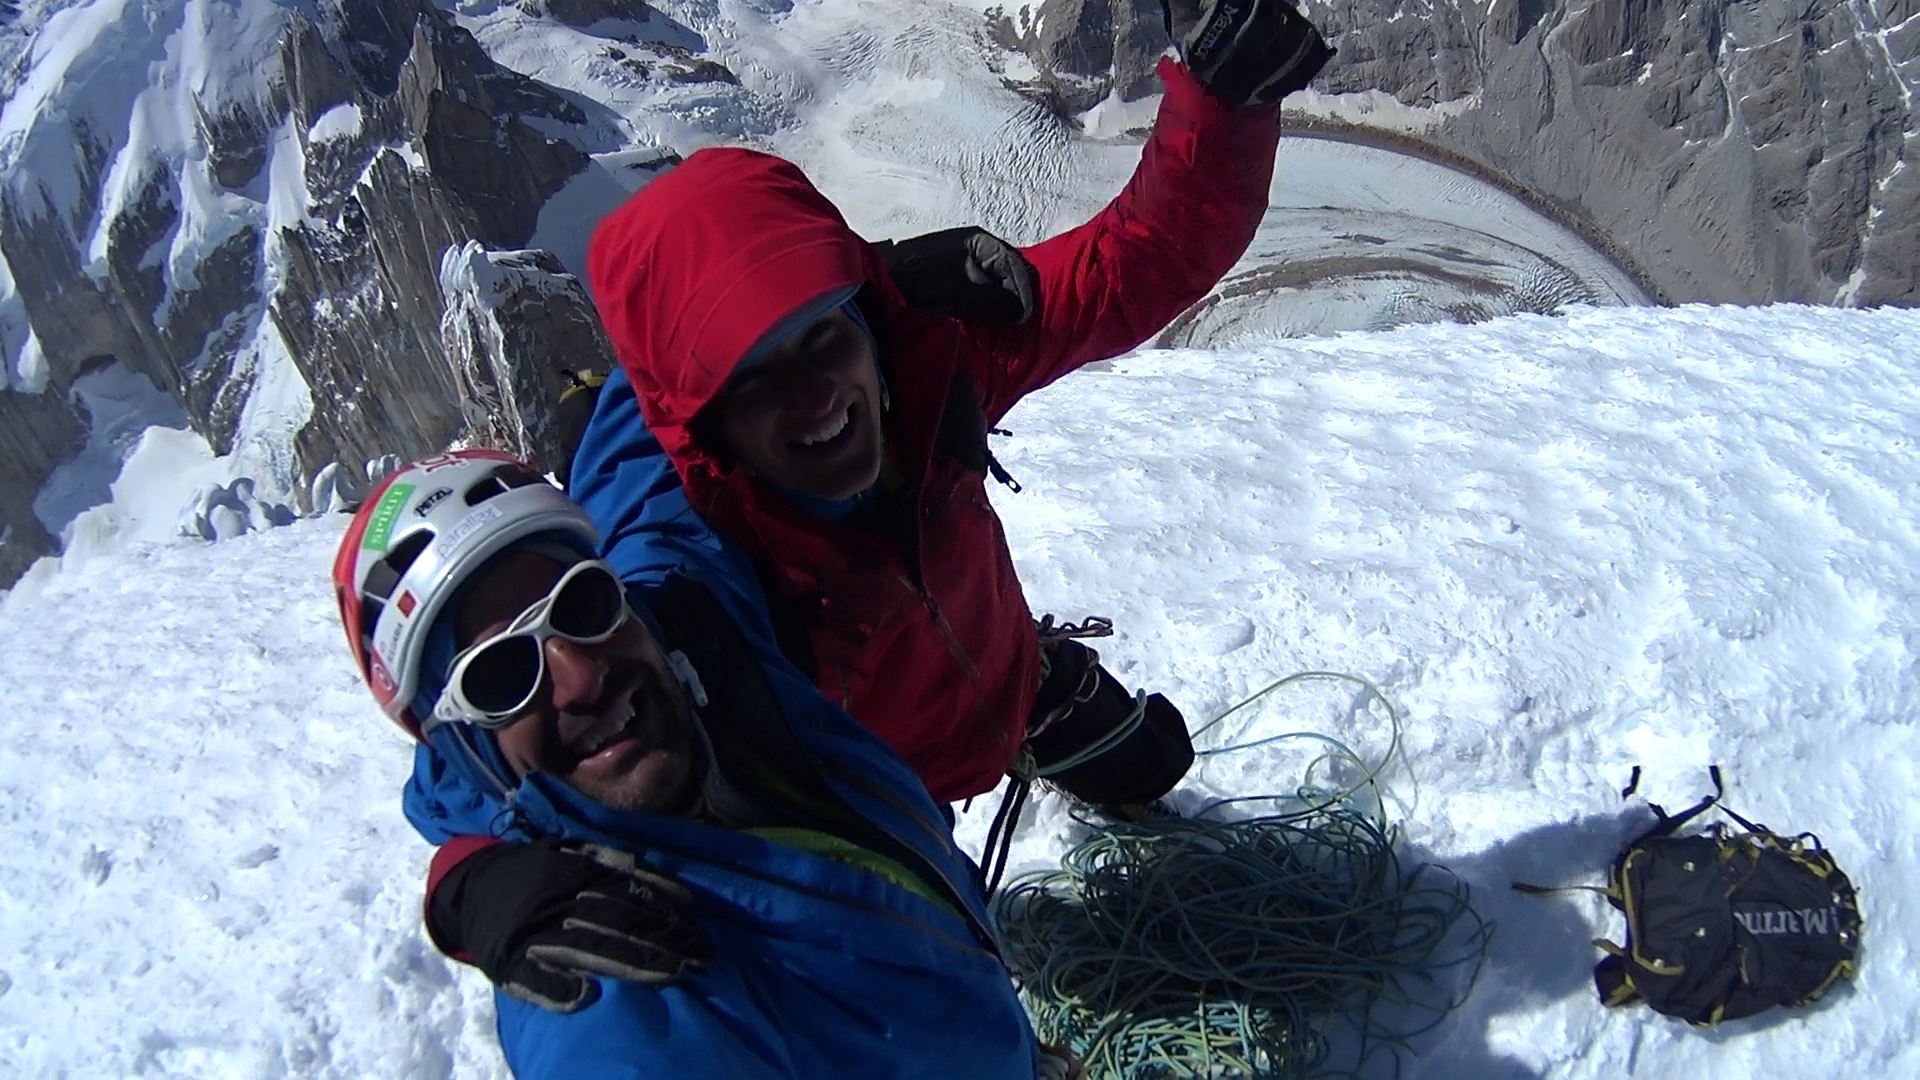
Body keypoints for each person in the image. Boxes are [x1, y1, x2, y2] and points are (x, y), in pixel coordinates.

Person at [420, 0, 1333, 1008]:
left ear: (867, 320)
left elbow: (1136, 260)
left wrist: (1224, 108)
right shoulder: (687, 551)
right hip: (886, 799)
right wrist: (471, 885)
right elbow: (494, 726)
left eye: (823, 337)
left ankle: (1046, 701)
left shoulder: (929, 363)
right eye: (757, 379)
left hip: (1005, 679)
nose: (815, 400)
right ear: (703, 418)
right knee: (956, 976)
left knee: (1155, 769)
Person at [333, 449, 1052, 1076]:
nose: (582, 676)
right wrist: (467, 875)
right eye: (500, 675)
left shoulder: (692, 621)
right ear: (463, 747)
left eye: (580, 601)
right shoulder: (599, 991)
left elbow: (645, 452)